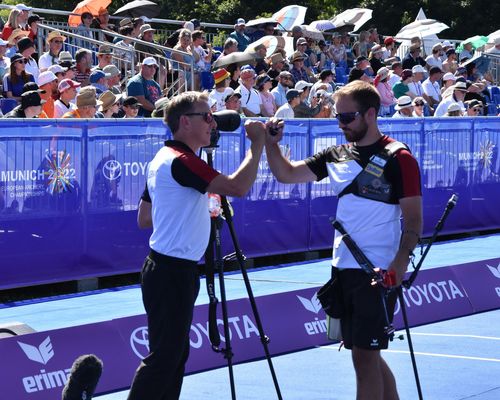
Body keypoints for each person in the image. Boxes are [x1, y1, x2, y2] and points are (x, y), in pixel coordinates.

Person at [264, 80, 422, 400]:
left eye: (348, 118)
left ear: (371, 114)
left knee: (365, 358)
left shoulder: (398, 157)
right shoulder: (337, 154)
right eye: (338, 117)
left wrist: (398, 266)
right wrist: (271, 144)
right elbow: (287, 174)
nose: (341, 124)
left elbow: (415, 221)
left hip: (378, 272)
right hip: (342, 267)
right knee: (365, 355)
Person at [127, 91, 268, 400]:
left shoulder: (164, 158)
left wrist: (193, 209)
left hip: (169, 268)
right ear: (184, 122)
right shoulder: (183, 160)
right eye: (206, 116)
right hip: (171, 271)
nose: (212, 123)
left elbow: (145, 217)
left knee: (173, 357)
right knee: (165, 358)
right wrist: (257, 145)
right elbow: (238, 187)